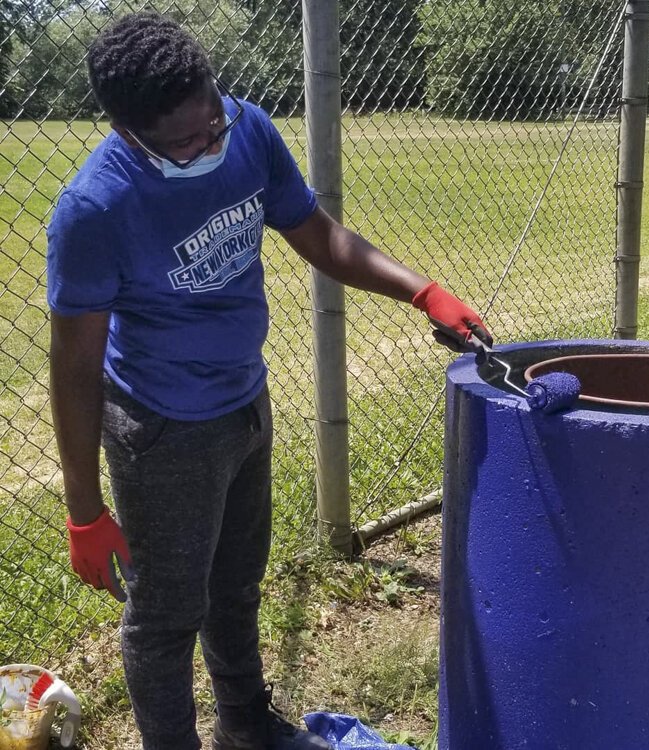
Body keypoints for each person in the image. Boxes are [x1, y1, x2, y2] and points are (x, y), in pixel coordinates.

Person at [46, 11, 493, 750]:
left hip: (244, 402)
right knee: (165, 618)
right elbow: (74, 368)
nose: (209, 146)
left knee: (236, 587)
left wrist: (421, 291)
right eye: (187, 142)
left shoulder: (247, 129)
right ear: (129, 133)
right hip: (164, 431)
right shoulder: (95, 209)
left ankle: (246, 726)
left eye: (212, 123)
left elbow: (316, 233)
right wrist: (84, 510)